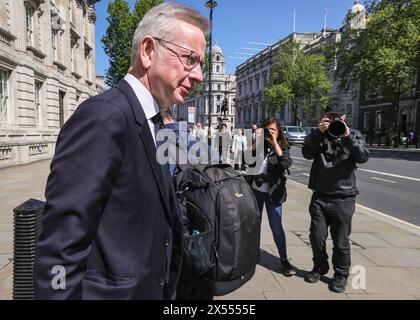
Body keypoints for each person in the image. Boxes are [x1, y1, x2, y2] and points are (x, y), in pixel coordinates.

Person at [33, 2, 208, 300]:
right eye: (190, 60)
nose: (199, 75)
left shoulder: (149, 119)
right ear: (148, 51)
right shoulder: (104, 116)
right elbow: (61, 245)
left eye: (200, 63)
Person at [302, 105, 369, 293]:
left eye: (337, 117)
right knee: (316, 237)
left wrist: (346, 137)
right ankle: (319, 266)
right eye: (330, 117)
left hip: (344, 197)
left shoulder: (353, 134)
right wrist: (318, 133)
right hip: (320, 195)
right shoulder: (319, 134)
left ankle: (341, 275)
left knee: (341, 241)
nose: (333, 121)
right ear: (325, 117)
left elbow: (362, 156)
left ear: (344, 117)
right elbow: (307, 153)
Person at [248, 117, 295, 277]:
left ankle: (284, 260)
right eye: (267, 129)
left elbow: (285, 164)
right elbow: (245, 158)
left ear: (279, 131)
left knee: (277, 228)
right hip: (256, 192)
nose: (270, 133)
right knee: (254, 226)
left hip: (273, 194)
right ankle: (252, 256)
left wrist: (275, 144)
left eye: (273, 130)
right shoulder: (259, 145)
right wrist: (257, 140)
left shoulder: (282, 145)